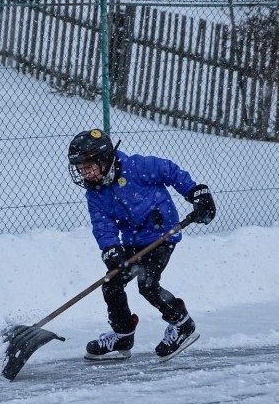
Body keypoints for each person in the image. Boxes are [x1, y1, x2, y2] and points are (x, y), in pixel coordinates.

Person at [66, 128, 216, 361]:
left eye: (88, 167)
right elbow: (102, 224)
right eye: (80, 169)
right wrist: (111, 250)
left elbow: (170, 171)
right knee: (112, 284)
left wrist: (195, 192)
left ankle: (182, 323)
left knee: (147, 284)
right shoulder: (95, 193)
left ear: (104, 159)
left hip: (161, 234)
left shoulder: (137, 167)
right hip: (133, 241)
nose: (84, 174)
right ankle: (123, 334)